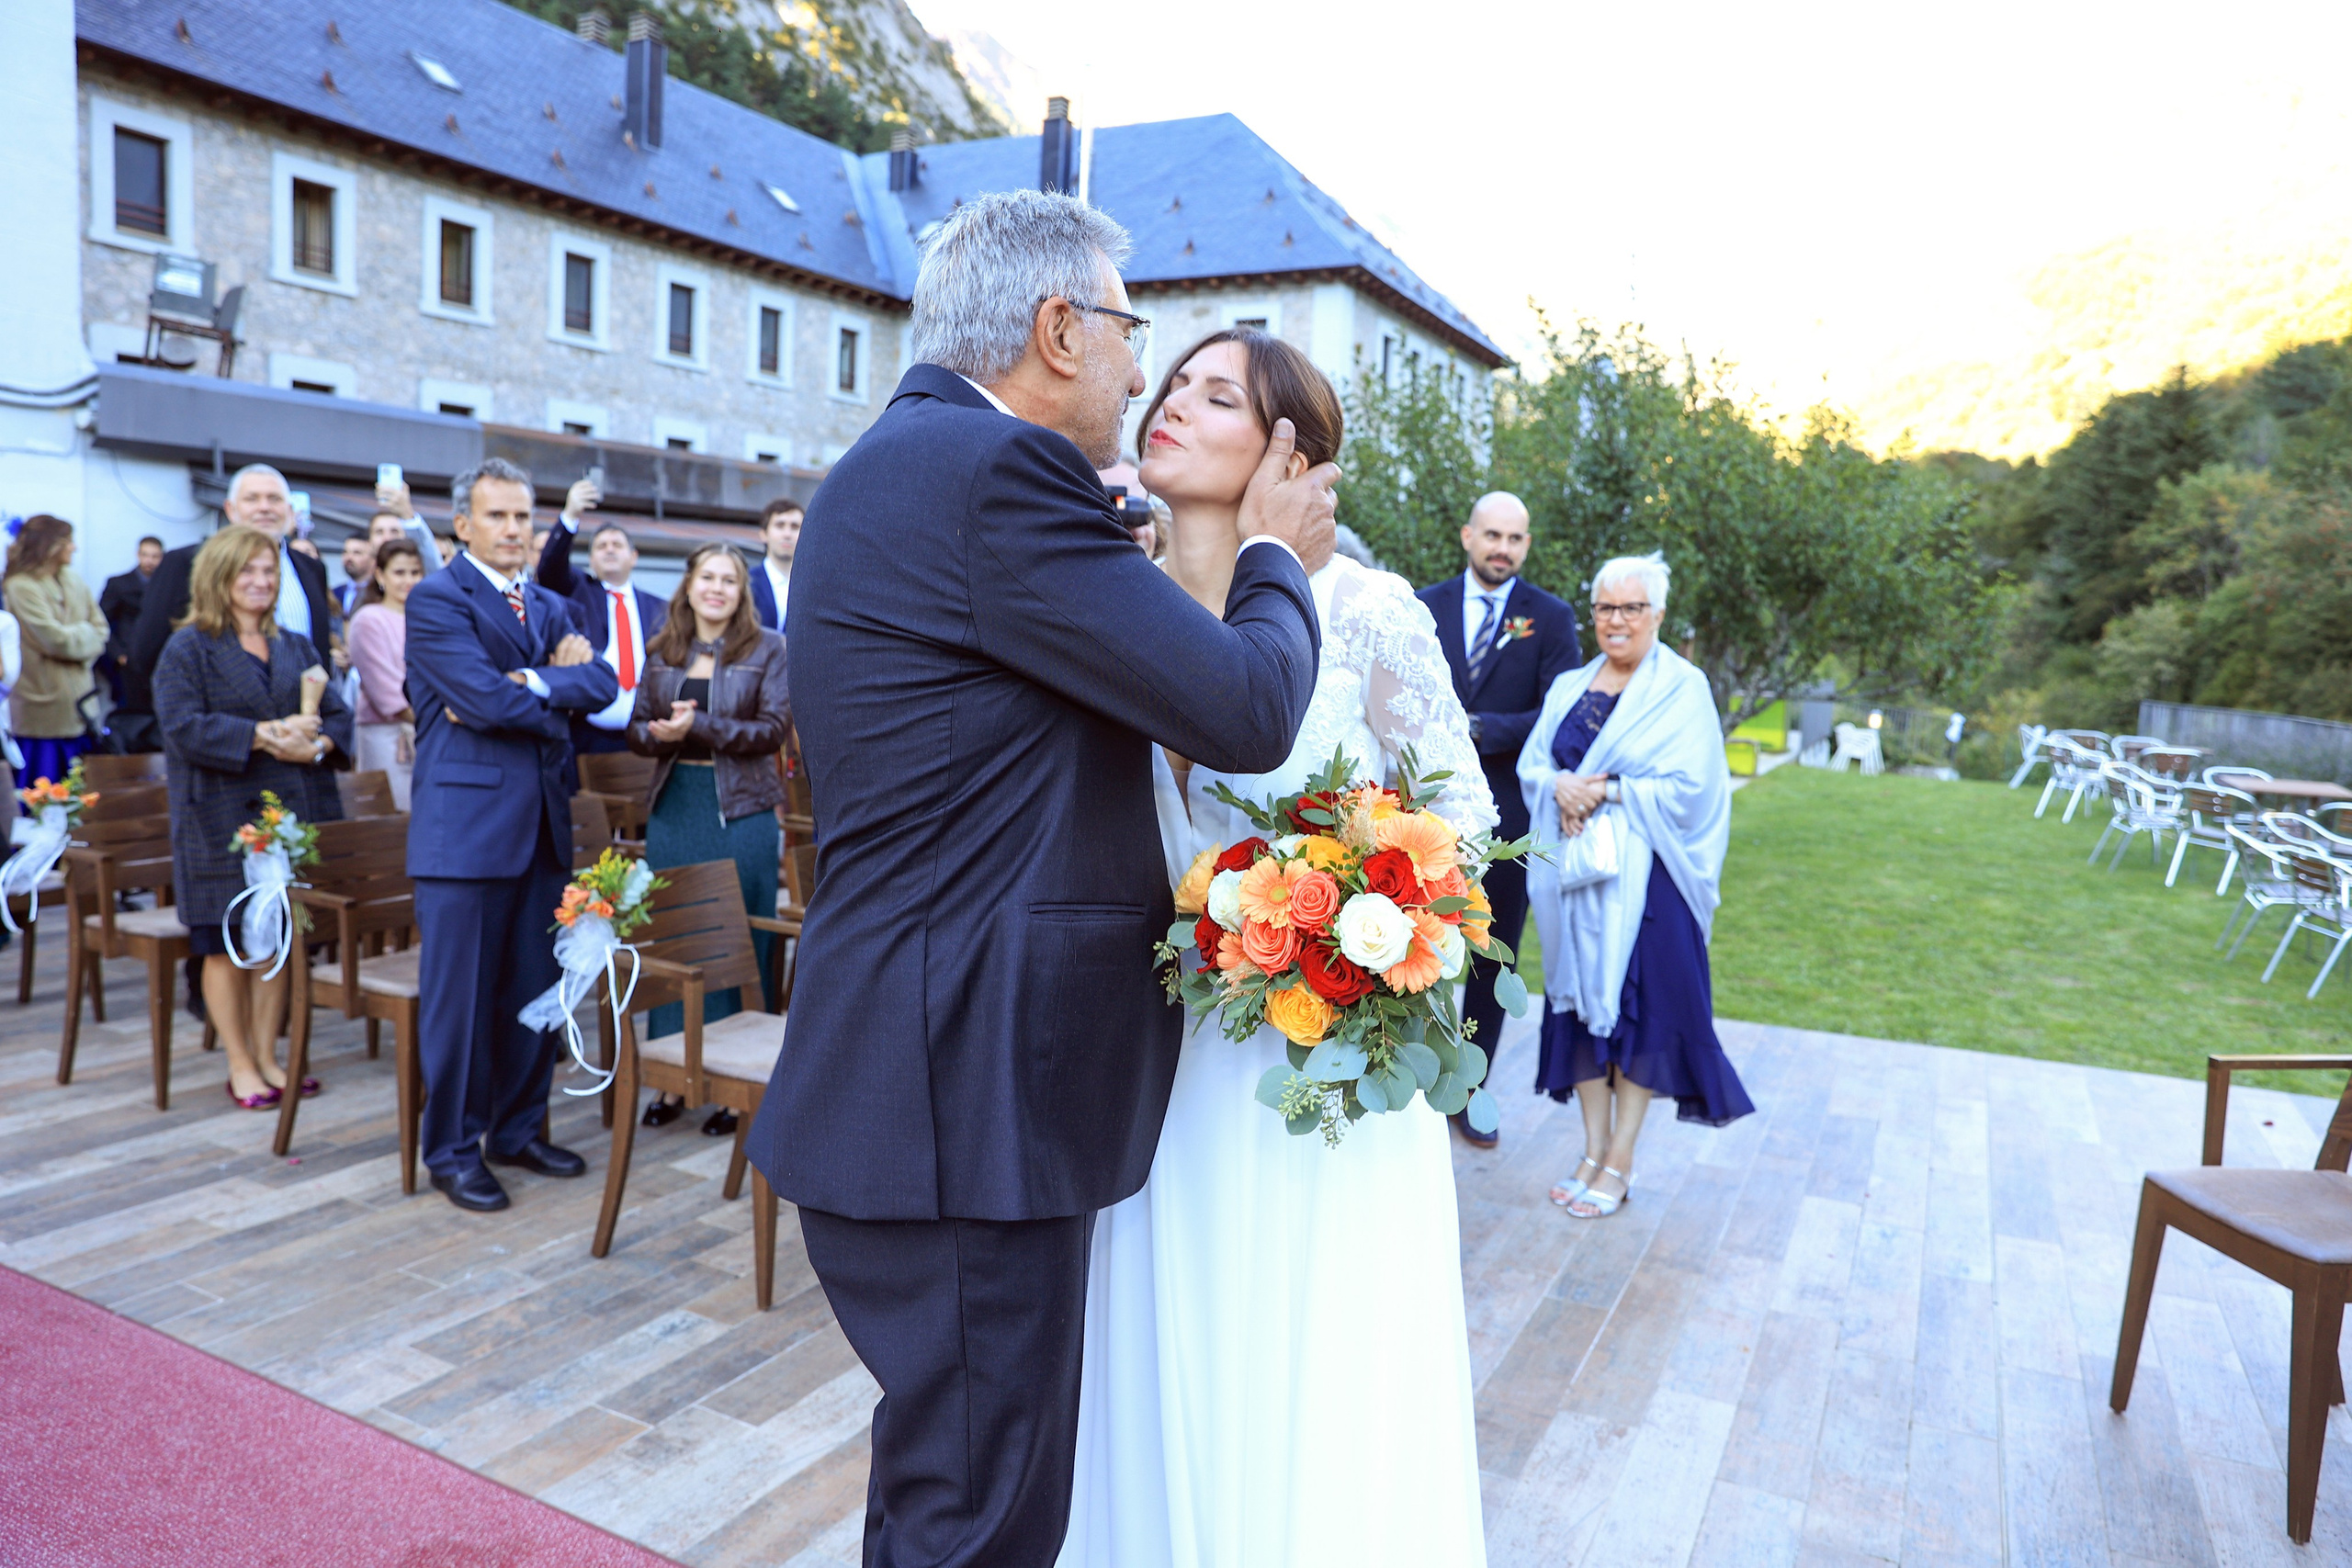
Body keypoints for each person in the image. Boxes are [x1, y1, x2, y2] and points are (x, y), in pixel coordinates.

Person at [745, 190, 1334, 1568]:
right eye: (1130, 334)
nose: (1139, 374)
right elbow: (1246, 708)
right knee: (981, 1524)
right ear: (1058, 330)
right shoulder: (991, 472)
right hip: (963, 1090)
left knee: (948, 1497)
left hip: (931, 1071)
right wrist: (1273, 556)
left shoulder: (906, 462)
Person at [1057, 329, 1493, 1568]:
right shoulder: (1114, 605)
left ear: (1288, 451)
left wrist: (1351, 916)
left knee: (1314, 1352)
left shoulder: (1364, 611)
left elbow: (1463, 823)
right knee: (1172, 1332)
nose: (1169, 404)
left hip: (1322, 1064)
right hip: (1165, 1055)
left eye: (1216, 396)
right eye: (1172, 384)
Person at [404, 457, 616, 1213]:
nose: (514, 529)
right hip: (464, 835)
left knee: (536, 992)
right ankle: (453, 1150)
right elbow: (479, 700)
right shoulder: (437, 599)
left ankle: (518, 1130)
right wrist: (550, 692)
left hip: (542, 830)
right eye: (497, 515)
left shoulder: (550, 604)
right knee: (460, 1004)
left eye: (523, 516)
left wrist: (526, 683)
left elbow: (604, 684)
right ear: (462, 523)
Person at [1518, 553, 1750, 1220]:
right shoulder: (1570, 685)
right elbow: (1535, 764)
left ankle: (1620, 1158)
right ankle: (1591, 1149)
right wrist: (1560, 786)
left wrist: (1609, 790)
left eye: (1631, 608)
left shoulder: (1682, 688)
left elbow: (1695, 787)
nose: (1616, 620)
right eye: (1605, 607)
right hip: (1575, 877)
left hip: (1652, 883)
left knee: (1639, 1012)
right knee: (1577, 1007)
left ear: (1658, 614)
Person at [152, 525, 352, 1107]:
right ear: (220, 577)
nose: (262, 581)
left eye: (270, 571)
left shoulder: (296, 645)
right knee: (224, 945)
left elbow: (339, 717)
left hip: (287, 820)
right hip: (216, 820)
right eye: (249, 571)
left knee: (276, 943)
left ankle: (269, 1057)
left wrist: (316, 746)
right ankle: (240, 1064)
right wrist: (265, 735)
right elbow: (183, 726)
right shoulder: (188, 648)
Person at [1416, 491, 1581, 1149]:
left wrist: (1483, 728)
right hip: (1425, 812)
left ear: (1527, 544)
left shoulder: (1551, 617)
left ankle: (1469, 1092)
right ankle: (1408, 1077)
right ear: (1468, 536)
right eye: (1492, 535)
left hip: (1511, 817)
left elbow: (1560, 709)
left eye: (1515, 538)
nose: (1502, 549)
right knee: (1414, 947)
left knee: (1492, 953)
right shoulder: (1423, 605)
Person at [626, 543, 790, 1138]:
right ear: (689, 585)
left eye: (729, 580)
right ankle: (673, 1074)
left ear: (742, 592)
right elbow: (635, 729)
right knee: (674, 937)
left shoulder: (769, 647)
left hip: (741, 810)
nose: (717, 588)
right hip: (676, 807)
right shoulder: (662, 647)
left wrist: (700, 725)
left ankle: (735, 1081)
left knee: (739, 935)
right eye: (708, 578)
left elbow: (772, 730)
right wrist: (661, 734)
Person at [131, 466, 336, 691]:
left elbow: (320, 652)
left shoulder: (312, 568)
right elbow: (147, 652)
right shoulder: (186, 562)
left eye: (274, 499)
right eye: (252, 499)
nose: (264, 507)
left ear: (289, 511)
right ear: (230, 509)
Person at [535, 481, 662, 757]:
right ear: (591, 560)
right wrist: (570, 515)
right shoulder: (579, 591)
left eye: (617, 544)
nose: (609, 550)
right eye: (601, 546)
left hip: (647, 734)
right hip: (589, 732)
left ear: (634, 557)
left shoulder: (659, 607)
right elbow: (549, 569)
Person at [5, 516, 110, 784]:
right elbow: (54, 640)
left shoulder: (74, 580)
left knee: (80, 796)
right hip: (42, 717)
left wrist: (77, 637)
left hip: (82, 712)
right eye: (68, 541)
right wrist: (85, 634)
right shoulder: (20, 586)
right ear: (50, 545)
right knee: (42, 795)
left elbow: (102, 630)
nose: (74, 547)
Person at [346, 537, 425, 808]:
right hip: (388, 735)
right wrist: (432, 721)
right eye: (399, 572)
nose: (408, 580)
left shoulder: (428, 618)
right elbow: (385, 689)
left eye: (415, 572)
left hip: (429, 732)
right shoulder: (368, 619)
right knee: (392, 817)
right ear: (380, 575)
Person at [99, 535, 162, 707]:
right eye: (145, 555)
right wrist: (118, 654)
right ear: (138, 555)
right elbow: (101, 621)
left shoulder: (167, 586)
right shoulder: (119, 584)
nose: (149, 561)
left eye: (155, 556)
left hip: (156, 658)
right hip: (128, 658)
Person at [747, 497, 800, 633]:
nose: (787, 534)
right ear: (764, 534)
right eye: (780, 526)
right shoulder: (746, 582)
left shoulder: (814, 587)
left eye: (795, 527)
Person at [334, 532, 377, 617]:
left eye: (357, 553)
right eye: (345, 552)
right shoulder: (334, 594)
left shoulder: (380, 593)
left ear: (373, 560)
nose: (349, 558)